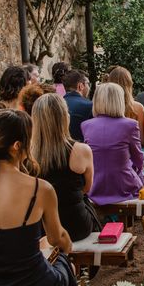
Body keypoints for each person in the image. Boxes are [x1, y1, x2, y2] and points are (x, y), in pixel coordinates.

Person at [0, 109, 76, 286]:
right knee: (64, 265)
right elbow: (57, 238)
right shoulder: (40, 189)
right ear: (17, 146)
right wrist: (67, 250)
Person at [31, 93, 100, 241]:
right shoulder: (81, 150)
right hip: (76, 224)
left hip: (42, 227)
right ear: (64, 118)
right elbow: (87, 188)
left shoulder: (27, 153)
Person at [82, 83, 144, 205]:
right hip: (123, 185)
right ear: (120, 101)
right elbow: (139, 159)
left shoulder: (86, 125)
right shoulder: (130, 125)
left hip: (95, 185)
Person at [108, 66, 144, 144]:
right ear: (129, 83)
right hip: (130, 152)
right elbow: (141, 140)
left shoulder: (103, 107)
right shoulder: (138, 107)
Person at [63, 70, 92, 142]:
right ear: (81, 86)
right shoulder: (89, 105)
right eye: (87, 84)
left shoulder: (55, 104)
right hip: (80, 150)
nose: (89, 87)